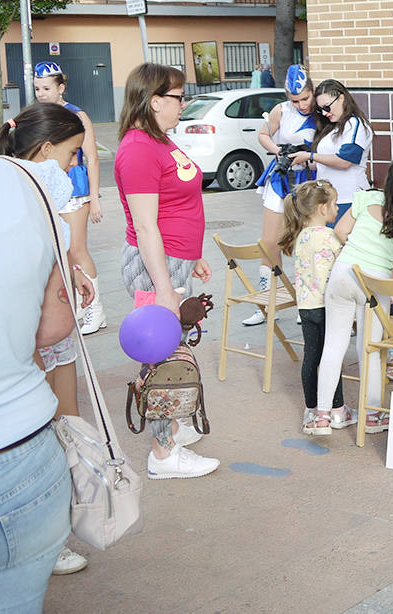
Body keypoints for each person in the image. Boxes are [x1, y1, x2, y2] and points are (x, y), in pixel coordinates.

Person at [0, 103, 93, 578]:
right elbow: (51, 325)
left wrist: (69, 269)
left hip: (29, 349)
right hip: (30, 358)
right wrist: (66, 284)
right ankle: (49, 536)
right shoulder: (38, 192)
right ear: (46, 148)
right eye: (73, 153)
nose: (75, 164)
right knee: (59, 428)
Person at [114, 63, 219, 480]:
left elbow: (177, 204)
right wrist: (163, 288)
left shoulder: (158, 141)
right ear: (155, 101)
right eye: (178, 97)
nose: (183, 104)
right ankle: (163, 453)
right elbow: (145, 226)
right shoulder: (139, 149)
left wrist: (192, 256)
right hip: (154, 267)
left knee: (172, 352)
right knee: (161, 360)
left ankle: (172, 428)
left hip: (173, 261)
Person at [312, 157, 393, 435]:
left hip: (343, 272)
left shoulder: (366, 197)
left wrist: (359, 249)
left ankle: (322, 416)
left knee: (333, 346)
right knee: (370, 349)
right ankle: (372, 415)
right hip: (375, 282)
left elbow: (340, 230)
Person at [33, 61, 107, 335]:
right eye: (37, 88)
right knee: (61, 250)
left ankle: (95, 309)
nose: (41, 94)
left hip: (76, 190)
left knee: (77, 249)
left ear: (61, 88)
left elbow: (93, 158)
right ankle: (80, 305)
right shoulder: (39, 115)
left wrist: (94, 198)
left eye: (46, 88)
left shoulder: (77, 115)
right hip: (49, 190)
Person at [277, 179, 356, 435]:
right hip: (328, 306)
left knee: (311, 357)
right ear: (323, 208)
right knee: (332, 356)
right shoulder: (330, 237)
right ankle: (337, 410)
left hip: (306, 307)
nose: (337, 208)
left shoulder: (301, 236)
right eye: (334, 204)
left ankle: (312, 409)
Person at [244, 64, 318, 326]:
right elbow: (264, 134)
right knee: (270, 242)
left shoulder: (321, 112)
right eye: (295, 100)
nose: (301, 105)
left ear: (312, 91)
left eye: (305, 98)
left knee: (306, 243)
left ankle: (306, 304)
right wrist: (278, 150)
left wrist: (309, 158)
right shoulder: (281, 110)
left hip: (309, 180)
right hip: (280, 177)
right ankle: (268, 303)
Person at [291, 79, 372, 225]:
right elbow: (325, 164)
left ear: (341, 98)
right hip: (328, 201)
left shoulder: (355, 124)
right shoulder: (332, 127)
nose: (324, 113)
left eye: (327, 107)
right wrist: (302, 161)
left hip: (350, 199)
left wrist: (310, 156)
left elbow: (345, 161)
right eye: (320, 109)